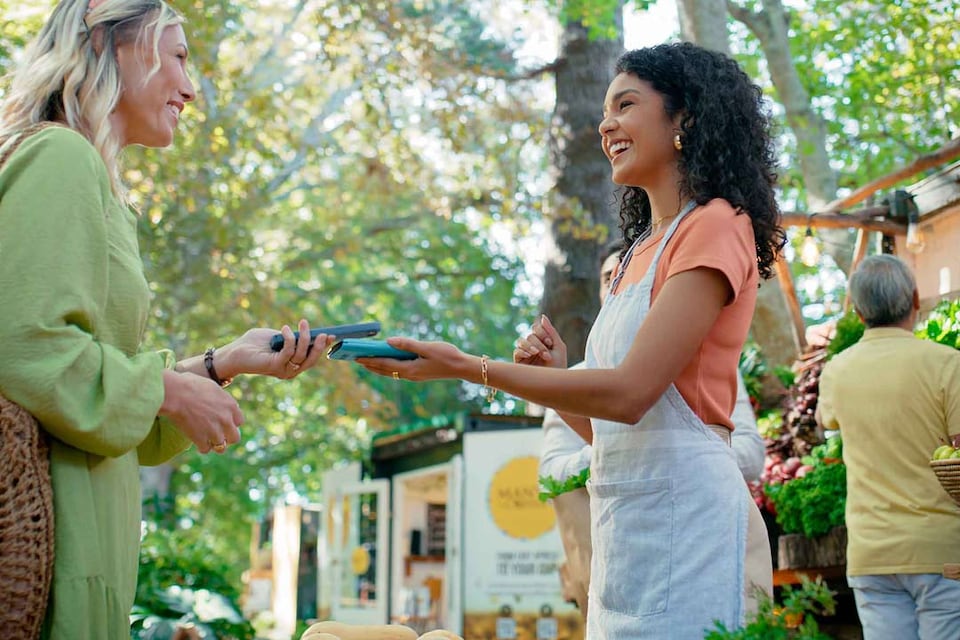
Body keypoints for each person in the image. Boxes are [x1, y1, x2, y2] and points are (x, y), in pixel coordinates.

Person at [356, 42, 784, 638]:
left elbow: (631, 394)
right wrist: (557, 381)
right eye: (605, 110)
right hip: (625, 527)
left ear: (685, 118)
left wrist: (468, 367)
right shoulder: (636, 251)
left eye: (626, 105)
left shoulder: (715, 225)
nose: (606, 125)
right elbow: (615, 432)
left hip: (688, 519)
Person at [0, 1, 334, 638]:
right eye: (178, 57)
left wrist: (222, 363)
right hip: (52, 553)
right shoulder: (60, 158)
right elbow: (22, 343)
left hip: (79, 541)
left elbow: (97, 398)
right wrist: (169, 390)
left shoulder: (92, 180)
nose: (189, 87)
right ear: (109, 44)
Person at [542, 240, 766, 617]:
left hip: (704, 548)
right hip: (615, 563)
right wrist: (618, 449)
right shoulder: (573, 380)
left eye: (632, 273)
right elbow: (551, 472)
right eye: (609, 277)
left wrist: (676, 448)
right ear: (601, 292)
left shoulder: (707, 362)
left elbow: (751, 453)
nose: (620, 282)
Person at [816, 254, 960, 640]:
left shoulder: (837, 369)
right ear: (915, 299)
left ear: (859, 312)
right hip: (940, 549)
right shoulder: (948, 364)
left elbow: (823, 421)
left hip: (871, 553)